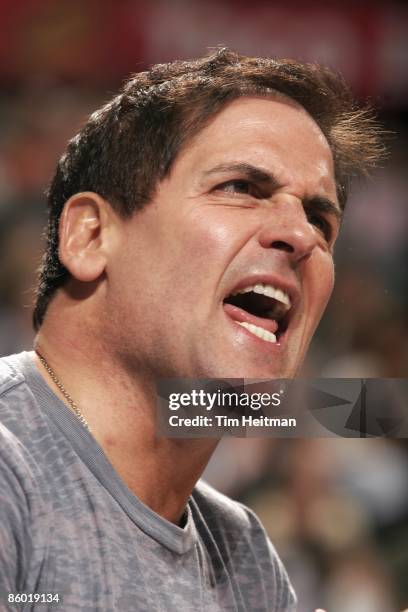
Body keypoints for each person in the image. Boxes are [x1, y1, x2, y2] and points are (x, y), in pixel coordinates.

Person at [0, 48, 382, 611]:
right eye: (241, 188)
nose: (300, 235)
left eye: (319, 220)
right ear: (90, 237)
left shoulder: (243, 553)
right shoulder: (11, 469)